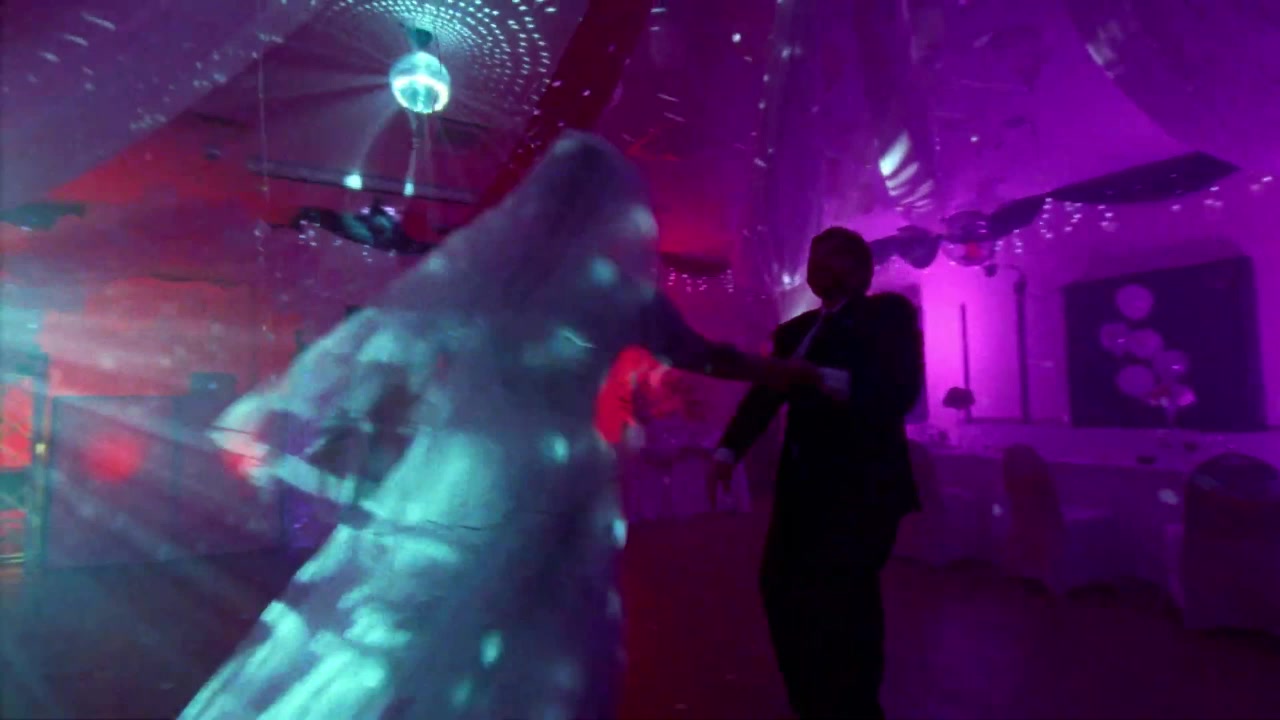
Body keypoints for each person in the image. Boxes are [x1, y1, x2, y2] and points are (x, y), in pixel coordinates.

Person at [180, 133, 822, 720]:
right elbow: (704, 356)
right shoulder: (614, 291)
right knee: (532, 616)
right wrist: (784, 374)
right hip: (558, 469)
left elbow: (395, 342)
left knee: (429, 604)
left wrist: (320, 413)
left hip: (466, 462)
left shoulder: (486, 277)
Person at [707, 226, 924, 719]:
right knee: (780, 589)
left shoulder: (887, 316)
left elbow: (898, 392)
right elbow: (766, 393)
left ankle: (858, 708)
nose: (816, 268)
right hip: (802, 492)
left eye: (830, 258)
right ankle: (809, 701)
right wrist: (728, 450)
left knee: (848, 601)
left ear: (860, 269)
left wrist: (821, 377)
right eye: (813, 258)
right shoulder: (794, 331)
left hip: (863, 491)